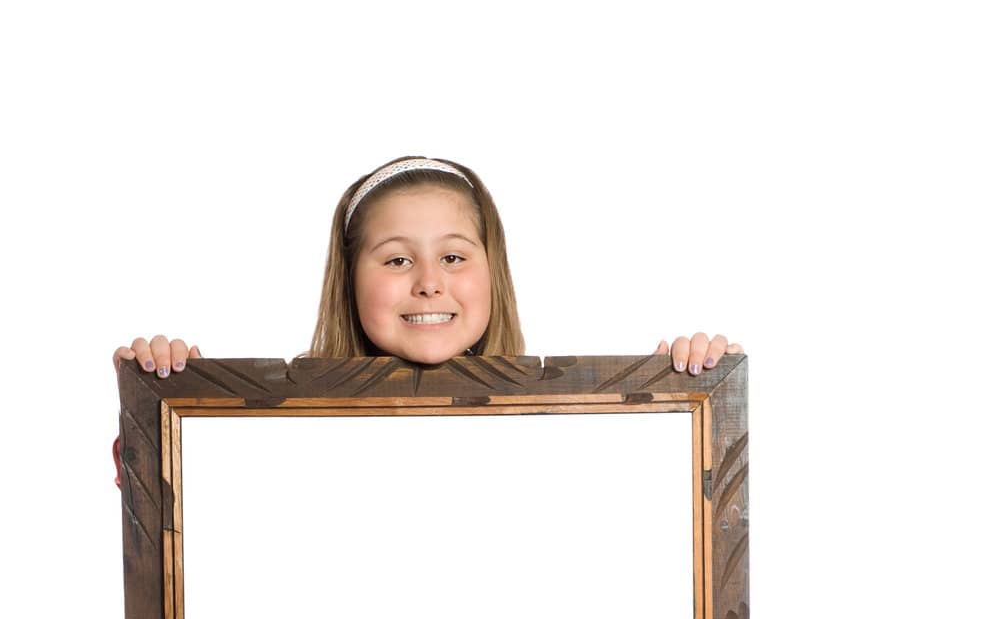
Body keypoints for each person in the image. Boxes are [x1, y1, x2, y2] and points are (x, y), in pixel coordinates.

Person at [111, 153, 743, 487]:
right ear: (350, 278)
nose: (428, 281)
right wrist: (161, 407)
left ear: (490, 272)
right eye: (396, 259)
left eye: (451, 255)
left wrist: (686, 392)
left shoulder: (560, 432)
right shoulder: (274, 437)